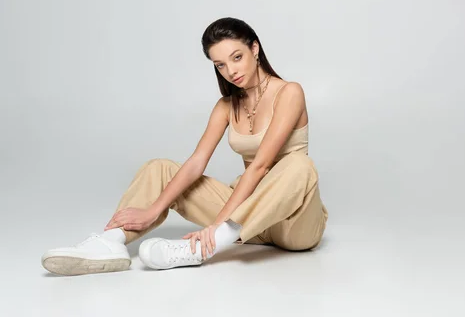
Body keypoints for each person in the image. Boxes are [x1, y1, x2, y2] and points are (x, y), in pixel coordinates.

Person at [41, 17, 329, 276]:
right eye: (220, 65)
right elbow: (196, 162)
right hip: (248, 224)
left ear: (255, 49)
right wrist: (153, 210)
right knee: (161, 168)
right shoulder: (226, 106)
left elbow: (262, 165)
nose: (230, 70)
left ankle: (208, 245)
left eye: (237, 57)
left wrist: (215, 226)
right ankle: (111, 242)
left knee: (299, 166)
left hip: (294, 224)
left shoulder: (289, 92)